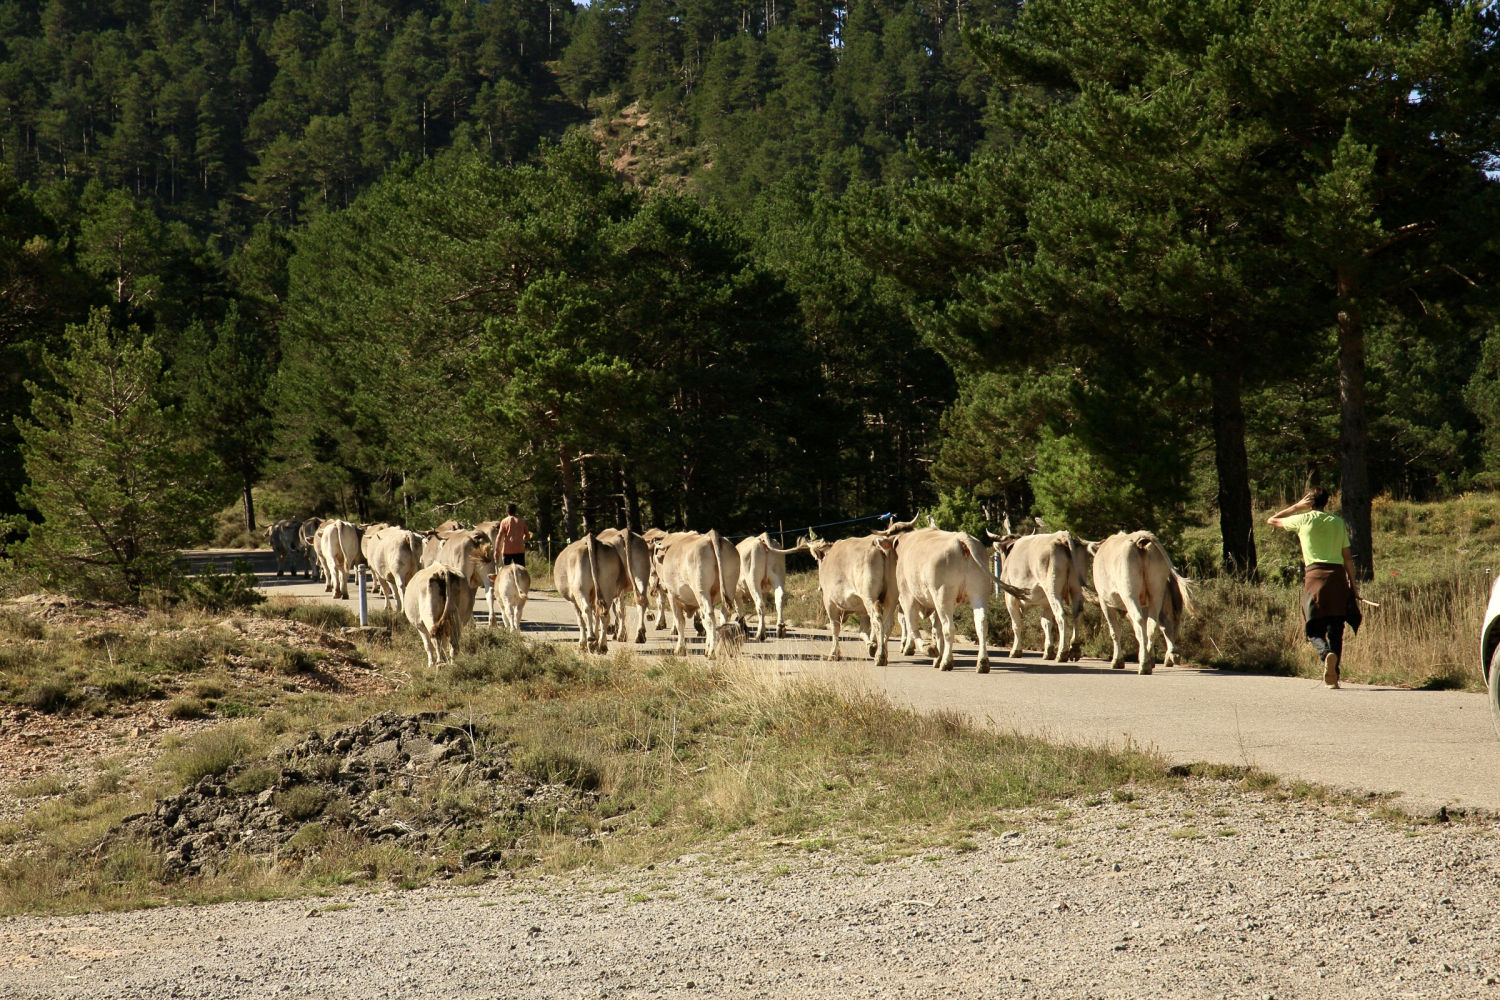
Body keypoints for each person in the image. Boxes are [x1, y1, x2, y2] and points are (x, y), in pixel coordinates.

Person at [1268, 487, 1362, 689]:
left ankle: (1325, 653)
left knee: (1312, 625)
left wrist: (1297, 507)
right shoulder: (1338, 522)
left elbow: (1272, 520)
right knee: (1336, 628)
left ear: (1309, 501)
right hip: (1338, 578)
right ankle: (1333, 677)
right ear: (1327, 502)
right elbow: (1347, 558)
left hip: (1315, 577)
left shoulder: (1303, 519)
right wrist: (1353, 587)